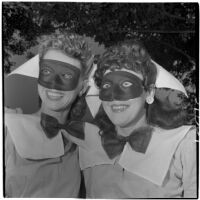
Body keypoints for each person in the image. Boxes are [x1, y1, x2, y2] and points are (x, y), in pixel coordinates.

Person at [56, 40, 196, 198]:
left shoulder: (184, 144)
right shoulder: (85, 145)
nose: (115, 96)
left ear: (149, 93)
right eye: (107, 86)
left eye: (127, 84)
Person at [4, 31, 93, 197]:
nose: (54, 84)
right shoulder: (8, 128)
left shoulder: (85, 142)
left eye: (66, 75)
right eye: (47, 72)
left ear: (83, 88)